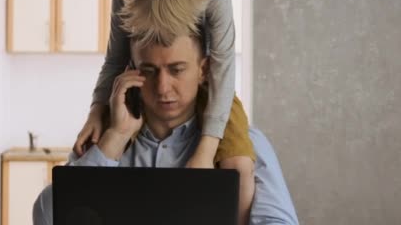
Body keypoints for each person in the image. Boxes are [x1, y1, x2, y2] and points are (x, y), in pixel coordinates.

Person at [73, 0, 256, 224]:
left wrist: (206, 150)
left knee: (239, 165)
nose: (162, 87)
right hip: (152, 84)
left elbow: (224, 68)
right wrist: (96, 110)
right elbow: (114, 59)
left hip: (213, 85)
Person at [34, 31, 299, 225]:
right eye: (149, 71)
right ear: (131, 72)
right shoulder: (104, 144)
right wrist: (115, 137)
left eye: (177, 70)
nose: (162, 88)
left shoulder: (246, 145)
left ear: (203, 70)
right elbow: (47, 216)